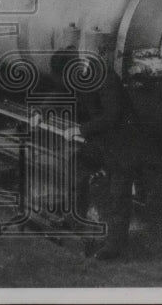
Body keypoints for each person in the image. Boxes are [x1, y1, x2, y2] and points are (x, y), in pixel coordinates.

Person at [51, 51, 139, 261]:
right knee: (77, 165)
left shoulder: (105, 77)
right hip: (102, 140)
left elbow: (112, 115)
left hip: (123, 142)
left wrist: (81, 130)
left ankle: (114, 246)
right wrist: (41, 111)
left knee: (118, 193)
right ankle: (74, 219)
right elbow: (59, 93)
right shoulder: (79, 74)